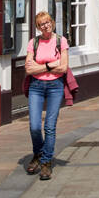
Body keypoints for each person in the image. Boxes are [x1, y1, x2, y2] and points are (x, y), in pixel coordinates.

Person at [24, 11, 69, 181]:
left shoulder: (60, 41)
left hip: (55, 86)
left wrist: (40, 65)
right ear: (38, 27)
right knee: (34, 125)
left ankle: (46, 162)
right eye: (42, 24)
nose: (46, 25)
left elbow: (63, 67)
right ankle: (38, 152)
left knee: (50, 125)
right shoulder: (33, 43)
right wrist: (51, 65)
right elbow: (29, 69)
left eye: (48, 22)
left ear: (52, 23)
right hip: (36, 86)